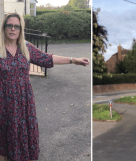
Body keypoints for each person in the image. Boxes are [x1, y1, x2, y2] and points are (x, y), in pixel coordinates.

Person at [0, 13, 89, 161]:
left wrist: (73, 60)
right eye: (9, 25)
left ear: (21, 29)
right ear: (4, 27)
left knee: (26, 134)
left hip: (24, 101)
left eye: (17, 26)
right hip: (4, 102)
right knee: (4, 135)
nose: (13, 29)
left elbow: (47, 58)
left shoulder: (26, 47)